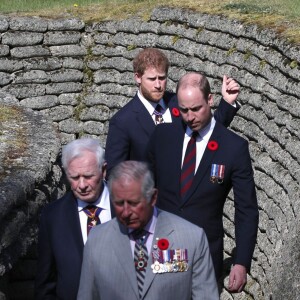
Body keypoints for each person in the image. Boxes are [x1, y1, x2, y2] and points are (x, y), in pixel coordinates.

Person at [147, 72, 259, 292]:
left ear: (210, 100)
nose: (190, 117)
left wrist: (242, 261)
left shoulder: (234, 148)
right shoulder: (163, 136)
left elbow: (246, 209)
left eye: (196, 109)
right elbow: (144, 188)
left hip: (204, 256)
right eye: (184, 110)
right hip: (164, 251)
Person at [77, 161, 219, 300]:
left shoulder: (191, 237)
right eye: (119, 203)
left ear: (153, 198)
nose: (126, 212)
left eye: (134, 203)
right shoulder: (97, 239)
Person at [105, 47, 240, 175]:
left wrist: (227, 102)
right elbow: (115, 175)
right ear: (138, 77)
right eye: (152, 79)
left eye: (162, 78)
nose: (158, 85)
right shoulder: (123, 122)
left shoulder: (177, 102)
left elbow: (208, 130)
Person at [35, 138, 113, 300]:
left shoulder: (127, 208)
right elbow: (45, 283)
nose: (82, 185)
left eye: (88, 176)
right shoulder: (53, 216)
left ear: (103, 170)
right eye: (75, 177)